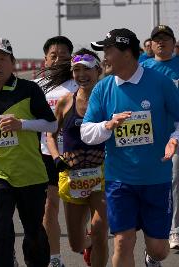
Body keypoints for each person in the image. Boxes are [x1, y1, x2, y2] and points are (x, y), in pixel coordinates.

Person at [83, 28, 179, 267]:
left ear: (127, 53)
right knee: (123, 242)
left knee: (158, 249)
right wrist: (108, 124)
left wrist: (174, 139)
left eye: (108, 50)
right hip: (119, 179)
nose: (104, 56)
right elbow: (86, 132)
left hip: (156, 177)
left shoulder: (161, 83)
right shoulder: (103, 89)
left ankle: (152, 257)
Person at [0, 37, 57, 267]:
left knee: (33, 230)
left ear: (12, 62)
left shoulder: (29, 90)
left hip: (31, 173)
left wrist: (22, 124)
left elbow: (51, 125)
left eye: (2, 59)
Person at [47, 49, 109, 267]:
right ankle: (88, 243)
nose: (81, 74)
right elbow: (50, 134)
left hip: (102, 175)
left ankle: (97, 244)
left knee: (101, 233)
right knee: (75, 243)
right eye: (76, 70)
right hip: (72, 176)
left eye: (86, 69)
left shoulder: (109, 100)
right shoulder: (65, 102)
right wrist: (56, 157)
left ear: (98, 70)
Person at [36, 36, 78, 267]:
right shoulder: (37, 86)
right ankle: (54, 258)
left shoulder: (79, 82)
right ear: (45, 59)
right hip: (46, 154)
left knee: (77, 212)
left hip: (78, 155)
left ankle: (85, 242)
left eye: (64, 56)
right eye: (54, 55)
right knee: (49, 207)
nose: (59, 59)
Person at [140, 25, 179, 251]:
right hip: (154, 136)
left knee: (174, 179)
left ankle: (173, 229)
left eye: (166, 39)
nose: (161, 42)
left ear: (174, 42)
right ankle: (165, 230)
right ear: (151, 44)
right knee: (168, 181)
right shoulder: (143, 68)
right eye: (157, 39)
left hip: (176, 130)